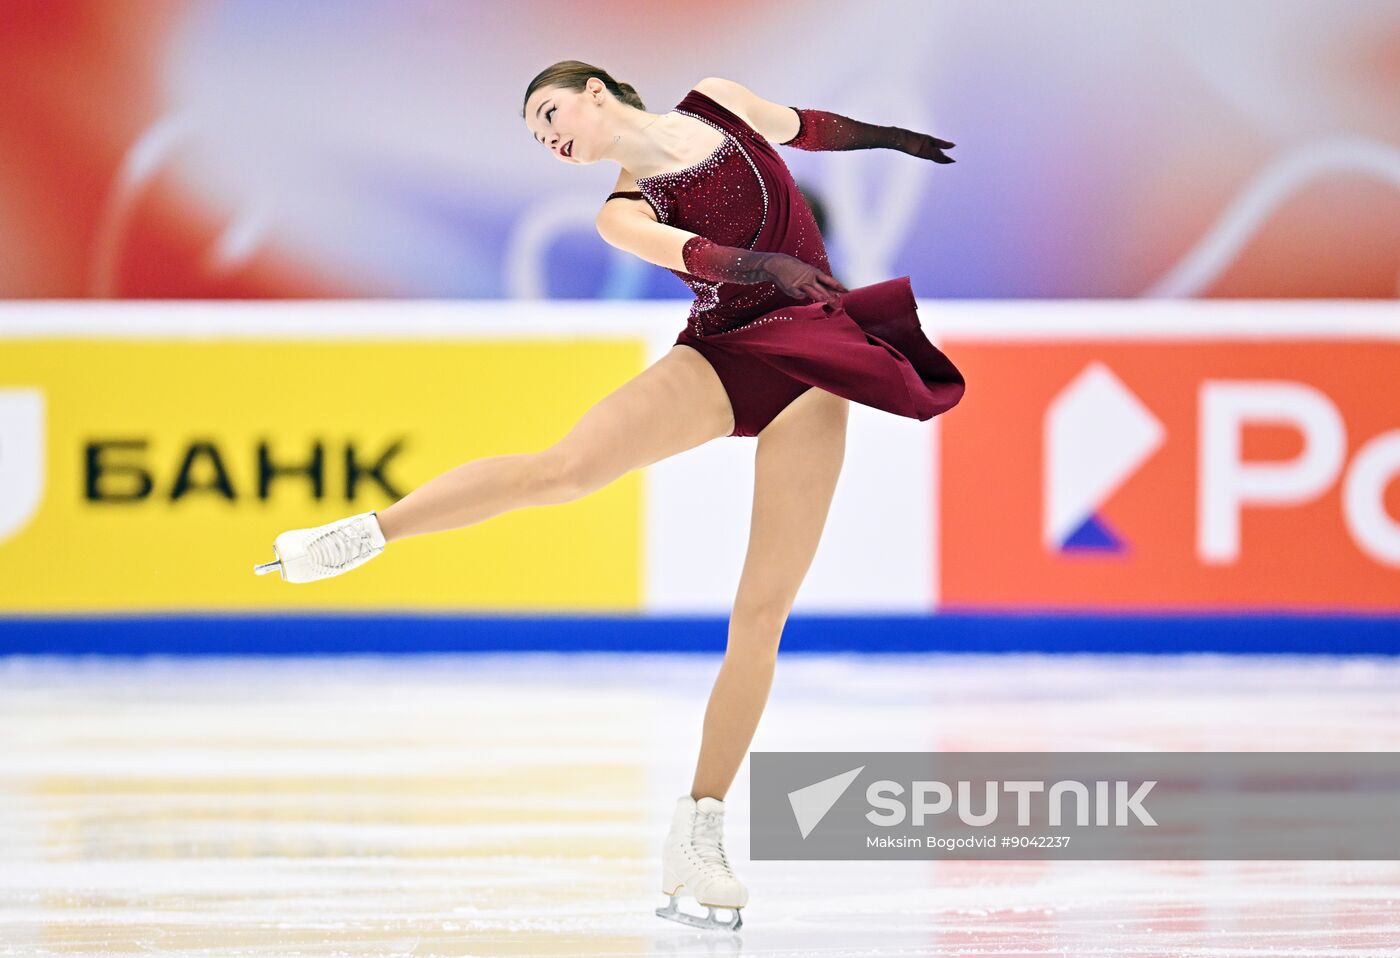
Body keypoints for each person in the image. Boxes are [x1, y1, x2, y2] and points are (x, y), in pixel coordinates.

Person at [254, 61, 965, 932]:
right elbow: (699, 256)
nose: (549, 138)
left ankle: (698, 832)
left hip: (815, 369)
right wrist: (767, 265)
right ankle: (366, 533)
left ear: (598, 91)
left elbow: (804, 126)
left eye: (550, 114)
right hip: (725, 354)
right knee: (563, 471)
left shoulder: (719, 100)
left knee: (762, 612)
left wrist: (888, 138)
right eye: (536, 137)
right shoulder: (621, 211)